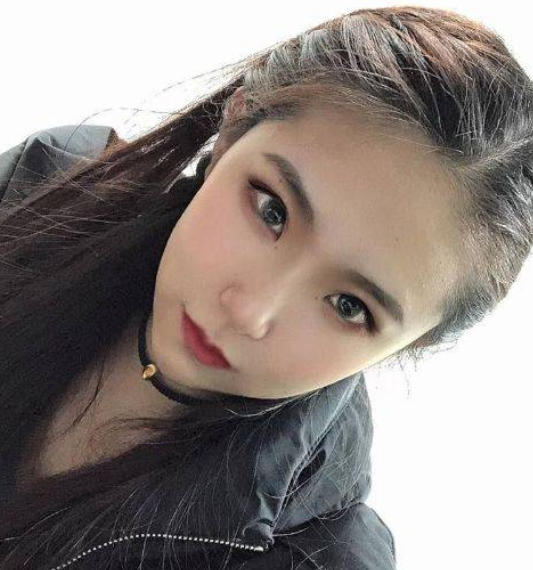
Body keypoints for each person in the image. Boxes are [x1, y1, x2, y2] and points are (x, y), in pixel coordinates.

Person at [0, 5, 532, 569]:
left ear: (411, 344)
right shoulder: (47, 186)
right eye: (271, 211)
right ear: (232, 130)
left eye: (349, 306)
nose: (248, 313)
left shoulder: (317, 559)